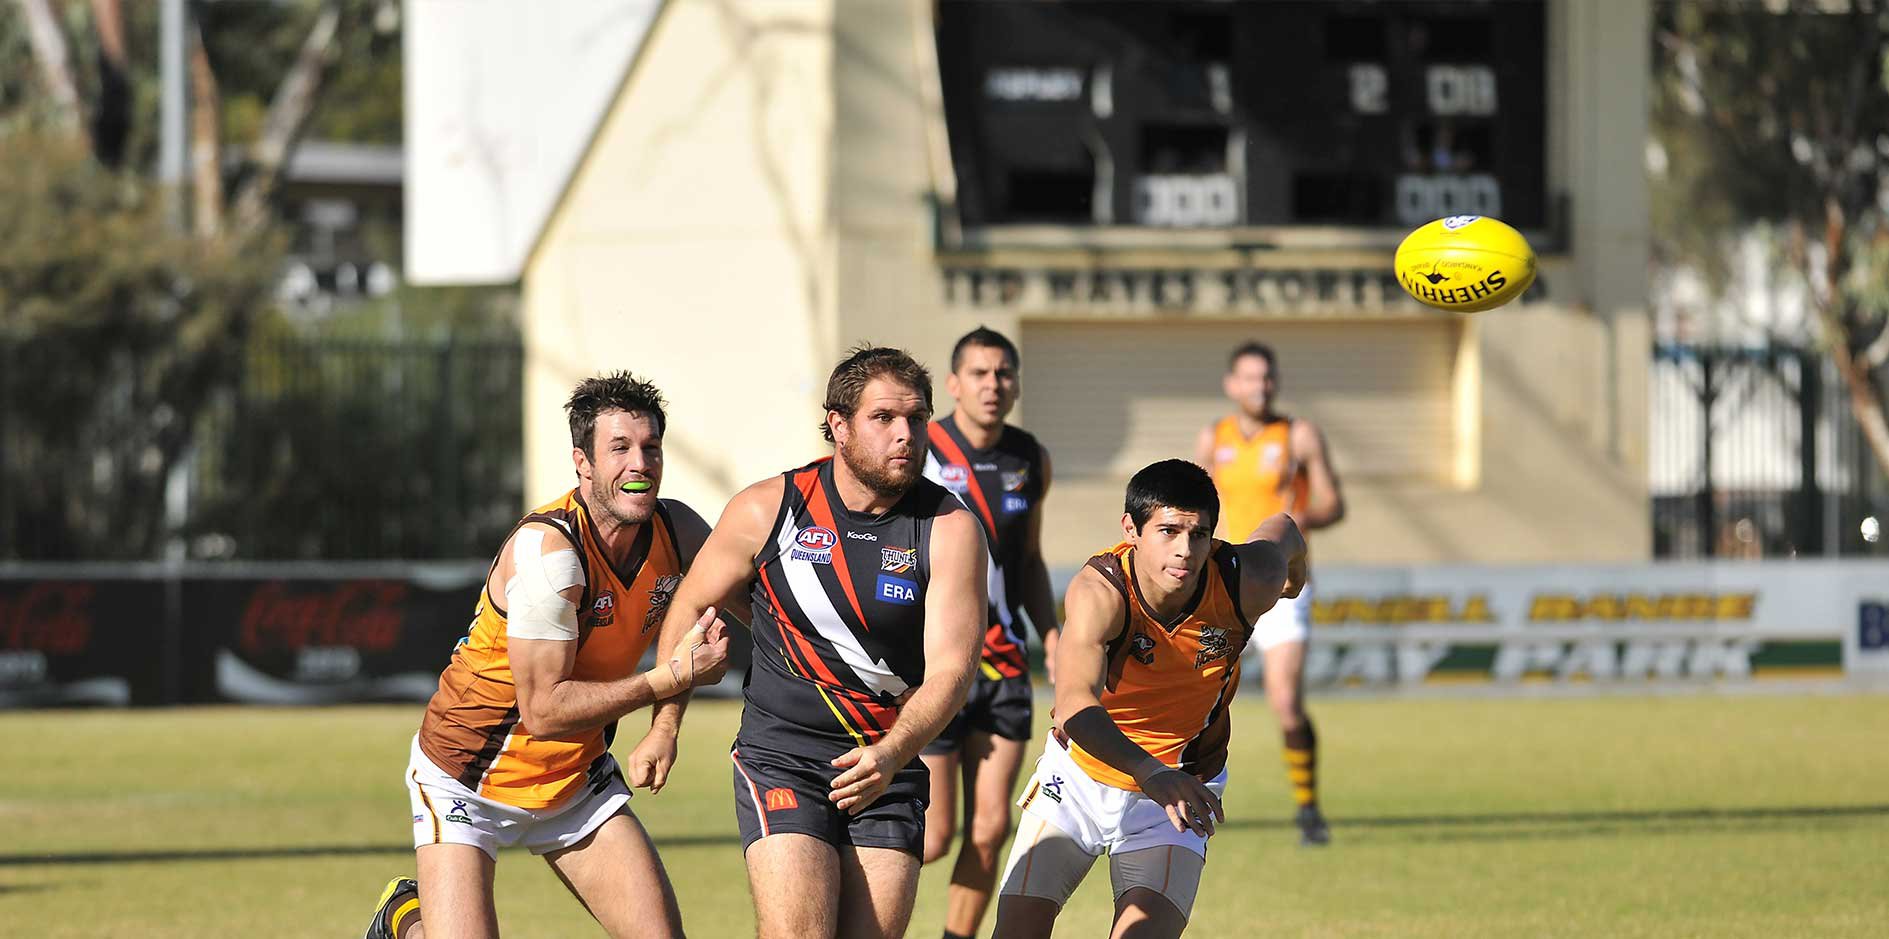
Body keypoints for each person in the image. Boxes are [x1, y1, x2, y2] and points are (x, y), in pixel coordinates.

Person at [361, 373, 735, 939]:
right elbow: (544, 711)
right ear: (582, 463)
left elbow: (705, 621)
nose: (640, 464)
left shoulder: (677, 530)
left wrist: (665, 728)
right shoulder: (550, 554)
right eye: (619, 448)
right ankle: (405, 920)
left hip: (573, 779)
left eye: (650, 448)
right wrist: (666, 681)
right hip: (469, 777)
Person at [641, 345, 987, 939]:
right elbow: (690, 606)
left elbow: (953, 671)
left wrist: (893, 753)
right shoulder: (768, 508)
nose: (905, 434)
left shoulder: (950, 528)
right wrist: (665, 725)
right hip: (782, 757)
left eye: (917, 418)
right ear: (838, 425)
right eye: (883, 418)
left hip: (887, 763)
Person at [990, 459, 1307, 939]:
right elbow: (1075, 706)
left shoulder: (1245, 580)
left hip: (1178, 794)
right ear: (1131, 529)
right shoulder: (1101, 592)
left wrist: (1294, 576)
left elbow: (1284, 528)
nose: (1185, 550)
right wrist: (1149, 771)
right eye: (1168, 531)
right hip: (1079, 781)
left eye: (1198, 534)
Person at [918, 327, 1058, 939]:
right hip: (931, 666)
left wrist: (1050, 635)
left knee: (992, 826)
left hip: (1003, 662)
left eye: (1003, 373)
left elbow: (1027, 560)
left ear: (1017, 383)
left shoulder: (1030, 458)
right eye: (979, 373)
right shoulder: (917, 449)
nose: (992, 385)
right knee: (931, 836)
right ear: (953, 384)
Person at [1193, 341, 1345, 846]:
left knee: (1285, 702)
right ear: (1231, 385)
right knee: (1195, 699)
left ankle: (1308, 808)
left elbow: (1334, 504)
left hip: (1283, 585)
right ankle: (1179, 801)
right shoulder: (1213, 439)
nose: (1260, 386)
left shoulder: (1299, 435)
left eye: (1267, 377)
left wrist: (1295, 525)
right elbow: (1193, 504)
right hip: (1221, 585)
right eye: (1250, 378)